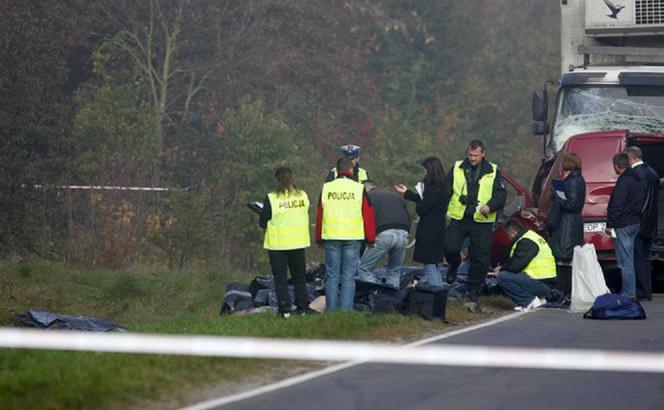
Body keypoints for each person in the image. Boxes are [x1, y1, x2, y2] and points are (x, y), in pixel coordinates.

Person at [444, 140, 506, 313]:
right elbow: (446, 189)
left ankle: (472, 293)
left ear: (483, 153)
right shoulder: (457, 167)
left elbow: (501, 194)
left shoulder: (493, 170)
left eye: (476, 156)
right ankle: (454, 265)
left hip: (482, 220)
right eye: (470, 155)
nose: (472, 159)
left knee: (480, 259)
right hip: (460, 216)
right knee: (449, 247)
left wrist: (490, 206)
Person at [316, 157, 375, 311]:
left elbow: (320, 213)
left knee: (332, 275)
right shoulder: (358, 188)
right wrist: (370, 239)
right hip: (352, 237)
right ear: (351, 170)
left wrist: (319, 238)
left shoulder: (326, 188)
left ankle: (330, 311)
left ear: (337, 170)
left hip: (332, 236)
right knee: (349, 276)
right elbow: (367, 214)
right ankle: (345, 311)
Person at [259, 167, 311, 318]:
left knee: (280, 279)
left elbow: (263, 222)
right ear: (292, 178)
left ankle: (285, 310)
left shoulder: (272, 198)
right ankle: (303, 308)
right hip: (298, 243)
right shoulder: (302, 195)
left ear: (277, 180)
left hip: (278, 245)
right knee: (299, 277)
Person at [395, 157, 450, 288]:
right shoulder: (443, 185)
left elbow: (423, 207)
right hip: (438, 228)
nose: (424, 173)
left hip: (429, 229)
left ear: (430, 170)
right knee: (433, 263)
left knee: (429, 263)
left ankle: (436, 291)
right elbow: (425, 200)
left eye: (425, 170)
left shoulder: (433, 187)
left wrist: (419, 203)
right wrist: (407, 193)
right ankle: (439, 292)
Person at [490, 219, 557, 310]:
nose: (508, 238)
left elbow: (516, 266)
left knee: (502, 276)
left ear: (513, 233)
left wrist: (501, 269)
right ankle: (540, 299)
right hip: (545, 282)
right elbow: (517, 260)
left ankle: (529, 301)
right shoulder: (531, 236)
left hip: (542, 283)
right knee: (505, 274)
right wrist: (502, 266)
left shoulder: (526, 241)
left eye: (508, 235)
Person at [546, 152, 586, 298]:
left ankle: (564, 293)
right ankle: (564, 293)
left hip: (567, 225)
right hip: (569, 223)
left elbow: (571, 203)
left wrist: (557, 196)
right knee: (564, 260)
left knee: (564, 261)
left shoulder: (574, 181)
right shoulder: (575, 179)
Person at [357, 180, 410, 287]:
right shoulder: (395, 197)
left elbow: (363, 222)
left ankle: (374, 295)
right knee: (394, 271)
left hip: (384, 234)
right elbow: (407, 217)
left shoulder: (367, 197)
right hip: (403, 234)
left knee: (364, 269)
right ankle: (391, 300)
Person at [605, 153, 644, 300]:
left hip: (623, 224)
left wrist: (610, 224)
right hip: (634, 222)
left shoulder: (624, 181)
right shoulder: (636, 178)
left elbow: (617, 204)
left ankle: (628, 293)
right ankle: (630, 291)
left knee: (624, 262)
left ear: (616, 166)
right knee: (629, 259)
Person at [626, 146, 659, 301]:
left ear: (630, 158)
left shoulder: (634, 175)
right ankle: (647, 291)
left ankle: (641, 291)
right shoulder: (653, 173)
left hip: (638, 222)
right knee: (645, 258)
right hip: (651, 222)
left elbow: (633, 200)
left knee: (636, 259)